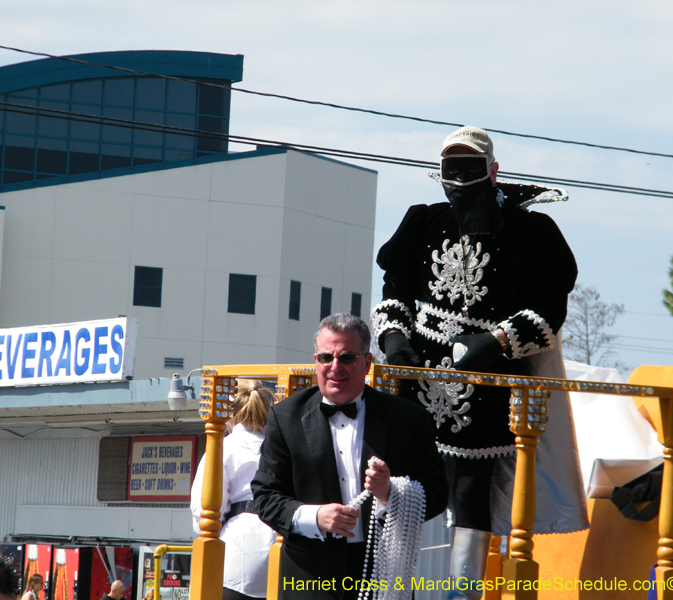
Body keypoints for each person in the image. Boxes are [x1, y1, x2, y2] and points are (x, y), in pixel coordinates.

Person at [370, 126, 580, 598]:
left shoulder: (529, 231)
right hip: (419, 375)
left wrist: (495, 342)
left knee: (470, 488)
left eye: (471, 166)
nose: (461, 177)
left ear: (493, 170)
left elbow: (548, 305)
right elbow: (395, 290)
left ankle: (460, 593)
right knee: (405, 479)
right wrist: (393, 335)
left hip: (488, 382)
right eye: (452, 167)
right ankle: (394, 587)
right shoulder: (423, 222)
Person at [251, 313, 448, 600]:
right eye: (325, 357)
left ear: (367, 363)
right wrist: (315, 516)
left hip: (382, 575)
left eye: (346, 358)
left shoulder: (408, 419)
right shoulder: (285, 417)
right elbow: (265, 497)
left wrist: (391, 492)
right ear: (315, 361)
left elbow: (439, 493)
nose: (334, 367)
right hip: (309, 578)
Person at [191, 379, 277, 600]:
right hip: (279, 545)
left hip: (238, 552)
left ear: (229, 412)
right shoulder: (280, 446)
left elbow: (204, 511)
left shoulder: (223, 447)